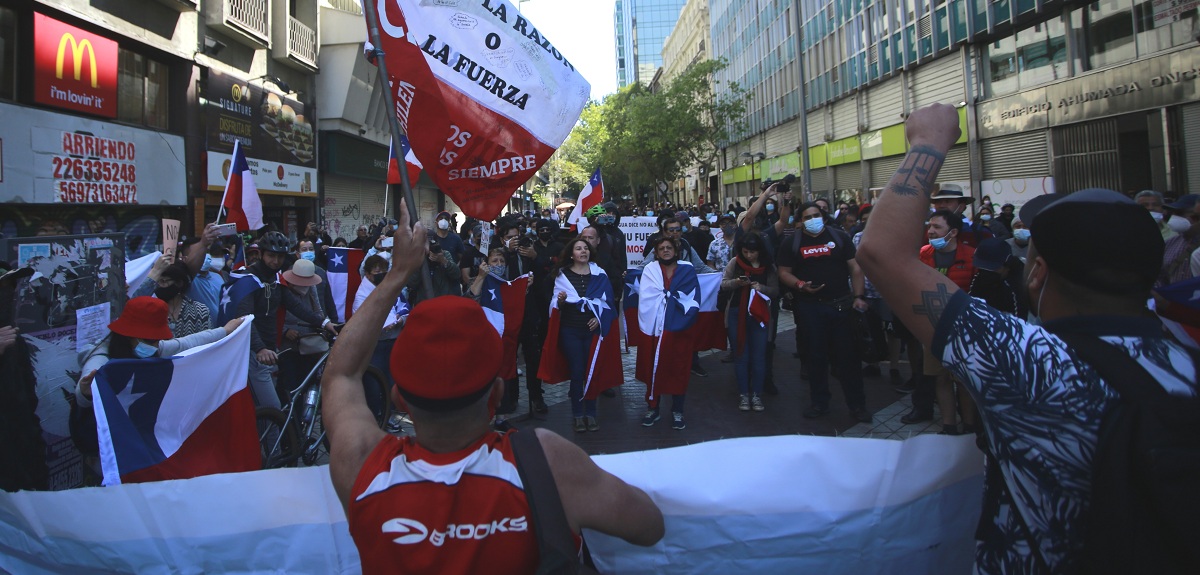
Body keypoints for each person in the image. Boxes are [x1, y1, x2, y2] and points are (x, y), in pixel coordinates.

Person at [856, 103, 1197, 574]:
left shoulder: (1028, 358)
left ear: (1036, 275)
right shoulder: (1185, 359)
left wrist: (928, 144)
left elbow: (881, 252)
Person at [321, 204, 664, 573]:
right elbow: (648, 526)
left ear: (398, 398)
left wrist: (396, 275)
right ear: (497, 394)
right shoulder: (545, 462)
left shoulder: (362, 465)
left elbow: (340, 375)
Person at [72, 297, 245, 468]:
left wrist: (224, 331)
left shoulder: (150, 348)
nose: (155, 346)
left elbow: (187, 343)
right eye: (149, 340)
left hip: (140, 443)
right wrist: (85, 392)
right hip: (106, 449)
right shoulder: (101, 360)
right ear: (127, 336)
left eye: (157, 340)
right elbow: (84, 393)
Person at [776, 203, 873, 423]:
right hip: (810, 308)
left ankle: (857, 406)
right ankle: (819, 403)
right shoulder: (792, 242)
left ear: (824, 217)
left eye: (816, 215)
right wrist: (800, 285)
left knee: (849, 359)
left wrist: (858, 297)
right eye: (807, 217)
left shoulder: (839, 237)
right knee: (815, 358)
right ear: (800, 221)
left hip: (841, 307)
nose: (812, 219)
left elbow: (855, 268)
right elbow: (783, 272)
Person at [234, 231, 338, 410]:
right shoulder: (248, 280)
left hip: (271, 351)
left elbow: (296, 306)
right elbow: (245, 319)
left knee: (266, 409)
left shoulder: (275, 279)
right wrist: (260, 348)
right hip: (253, 352)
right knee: (272, 408)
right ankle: (276, 438)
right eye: (271, 256)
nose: (275, 261)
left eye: (280, 257)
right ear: (261, 254)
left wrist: (324, 323)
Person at [908, 210, 979, 435]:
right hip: (932, 328)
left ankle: (969, 424)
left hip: (964, 330)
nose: (931, 231)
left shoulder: (972, 256)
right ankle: (948, 425)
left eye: (937, 227)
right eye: (930, 226)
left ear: (954, 232)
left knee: (964, 381)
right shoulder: (923, 255)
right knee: (940, 378)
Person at [540, 238, 620, 432]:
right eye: (578, 248)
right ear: (571, 254)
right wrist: (560, 301)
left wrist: (598, 318)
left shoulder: (600, 274)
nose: (583, 251)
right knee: (577, 372)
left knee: (591, 371)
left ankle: (591, 413)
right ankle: (577, 414)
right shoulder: (562, 275)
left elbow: (608, 302)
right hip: (570, 331)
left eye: (586, 248)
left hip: (593, 332)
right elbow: (555, 306)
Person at [635, 236, 702, 430]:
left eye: (669, 248)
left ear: (676, 250)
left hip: (679, 328)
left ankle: (677, 410)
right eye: (661, 248)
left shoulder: (687, 269)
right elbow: (647, 298)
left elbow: (692, 297)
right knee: (652, 365)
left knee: (678, 367)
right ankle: (653, 408)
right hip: (655, 329)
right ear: (655, 253)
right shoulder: (650, 270)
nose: (665, 251)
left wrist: (672, 305)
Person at [722, 232, 778, 412]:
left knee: (759, 356)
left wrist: (761, 288)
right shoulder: (735, 263)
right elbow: (724, 284)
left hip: (759, 315)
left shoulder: (768, 267)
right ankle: (744, 394)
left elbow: (775, 291)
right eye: (745, 252)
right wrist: (737, 283)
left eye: (752, 252)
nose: (749, 256)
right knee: (741, 355)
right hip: (736, 313)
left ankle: (757, 395)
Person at [1158, 194, 1199, 286]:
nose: (1175, 217)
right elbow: (1161, 277)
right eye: (1174, 213)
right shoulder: (1169, 243)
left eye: (1180, 213)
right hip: (1173, 299)